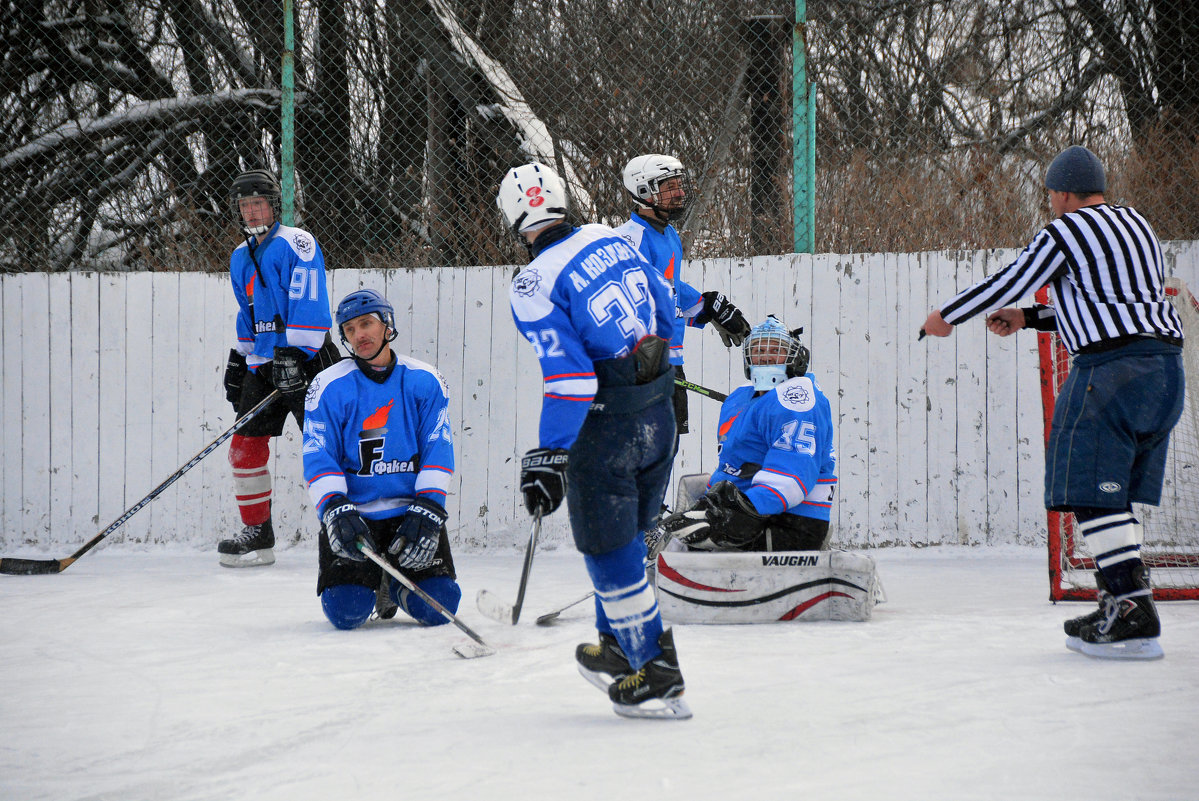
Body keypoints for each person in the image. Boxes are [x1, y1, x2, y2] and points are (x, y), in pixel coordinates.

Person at [921, 145, 1184, 660]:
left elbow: (1013, 279)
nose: (1050, 205)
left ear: (1062, 193)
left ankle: (1133, 607)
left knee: (1088, 489)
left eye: (1050, 196)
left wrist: (946, 316)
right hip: (1164, 373)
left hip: (1111, 373)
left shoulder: (1065, 229)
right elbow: (1111, 303)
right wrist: (1028, 319)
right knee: (1112, 494)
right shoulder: (1137, 225)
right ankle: (1119, 599)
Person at [496, 161, 691, 719]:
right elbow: (665, 307)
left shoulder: (533, 283)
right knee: (631, 540)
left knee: (610, 555)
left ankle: (657, 675)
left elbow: (573, 380)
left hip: (608, 431)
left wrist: (550, 454)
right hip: (658, 417)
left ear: (514, 219)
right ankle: (615, 648)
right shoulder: (609, 235)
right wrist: (669, 377)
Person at [301, 289, 461, 630]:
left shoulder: (424, 380)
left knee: (440, 607)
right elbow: (318, 454)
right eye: (349, 329)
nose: (359, 335)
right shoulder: (328, 385)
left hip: (410, 514)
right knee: (345, 613)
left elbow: (438, 446)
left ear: (387, 325)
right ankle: (374, 583)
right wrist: (333, 508)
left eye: (366, 324)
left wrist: (430, 508)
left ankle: (396, 586)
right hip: (355, 516)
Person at [219, 169, 340, 567]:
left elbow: (310, 299)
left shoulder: (297, 243)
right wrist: (242, 357)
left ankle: (345, 527)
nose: (251, 212)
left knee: (327, 448)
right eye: (244, 206)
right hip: (266, 364)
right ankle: (259, 533)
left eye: (258, 204)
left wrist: (295, 351)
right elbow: (248, 312)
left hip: (309, 360)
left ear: (274, 205)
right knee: (244, 446)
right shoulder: (240, 255)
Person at [661, 317, 837, 552]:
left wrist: (735, 513)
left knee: (686, 549)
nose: (765, 357)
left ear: (795, 356)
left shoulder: (796, 397)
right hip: (748, 511)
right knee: (677, 542)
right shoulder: (740, 398)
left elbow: (791, 478)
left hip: (787, 521)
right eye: (758, 350)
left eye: (776, 350)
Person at [614, 154, 750, 450]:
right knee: (641, 456)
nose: (679, 192)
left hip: (670, 362)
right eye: (669, 186)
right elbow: (631, 305)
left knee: (665, 452)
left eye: (679, 184)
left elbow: (668, 289)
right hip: (643, 369)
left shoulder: (669, 234)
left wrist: (706, 306)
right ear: (644, 191)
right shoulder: (629, 241)